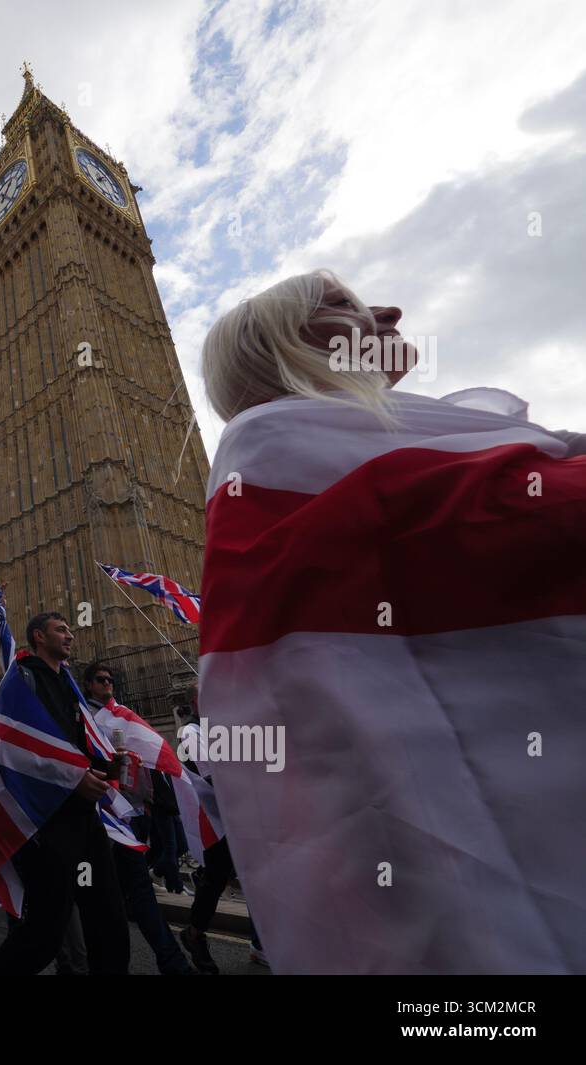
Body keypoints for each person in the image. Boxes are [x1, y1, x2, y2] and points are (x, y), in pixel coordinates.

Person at [198, 269, 586, 973]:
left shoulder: (322, 454)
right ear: (283, 347)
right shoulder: (284, 456)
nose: (390, 308)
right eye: (343, 304)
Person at [0, 613, 129, 975]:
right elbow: (12, 748)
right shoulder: (22, 679)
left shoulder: (68, 683)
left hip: (83, 820)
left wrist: (109, 764)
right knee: (46, 930)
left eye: (70, 629)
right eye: (61, 630)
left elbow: (79, 743)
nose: (70, 636)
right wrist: (71, 777)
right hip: (47, 824)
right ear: (38, 636)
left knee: (107, 917)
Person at [81, 662, 193, 975]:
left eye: (111, 679)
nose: (108, 684)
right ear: (89, 684)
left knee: (138, 894)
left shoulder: (121, 717)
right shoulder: (82, 717)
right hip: (94, 823)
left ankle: (174, 964)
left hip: (124, 821)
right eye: (101, 680)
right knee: (100, 901)